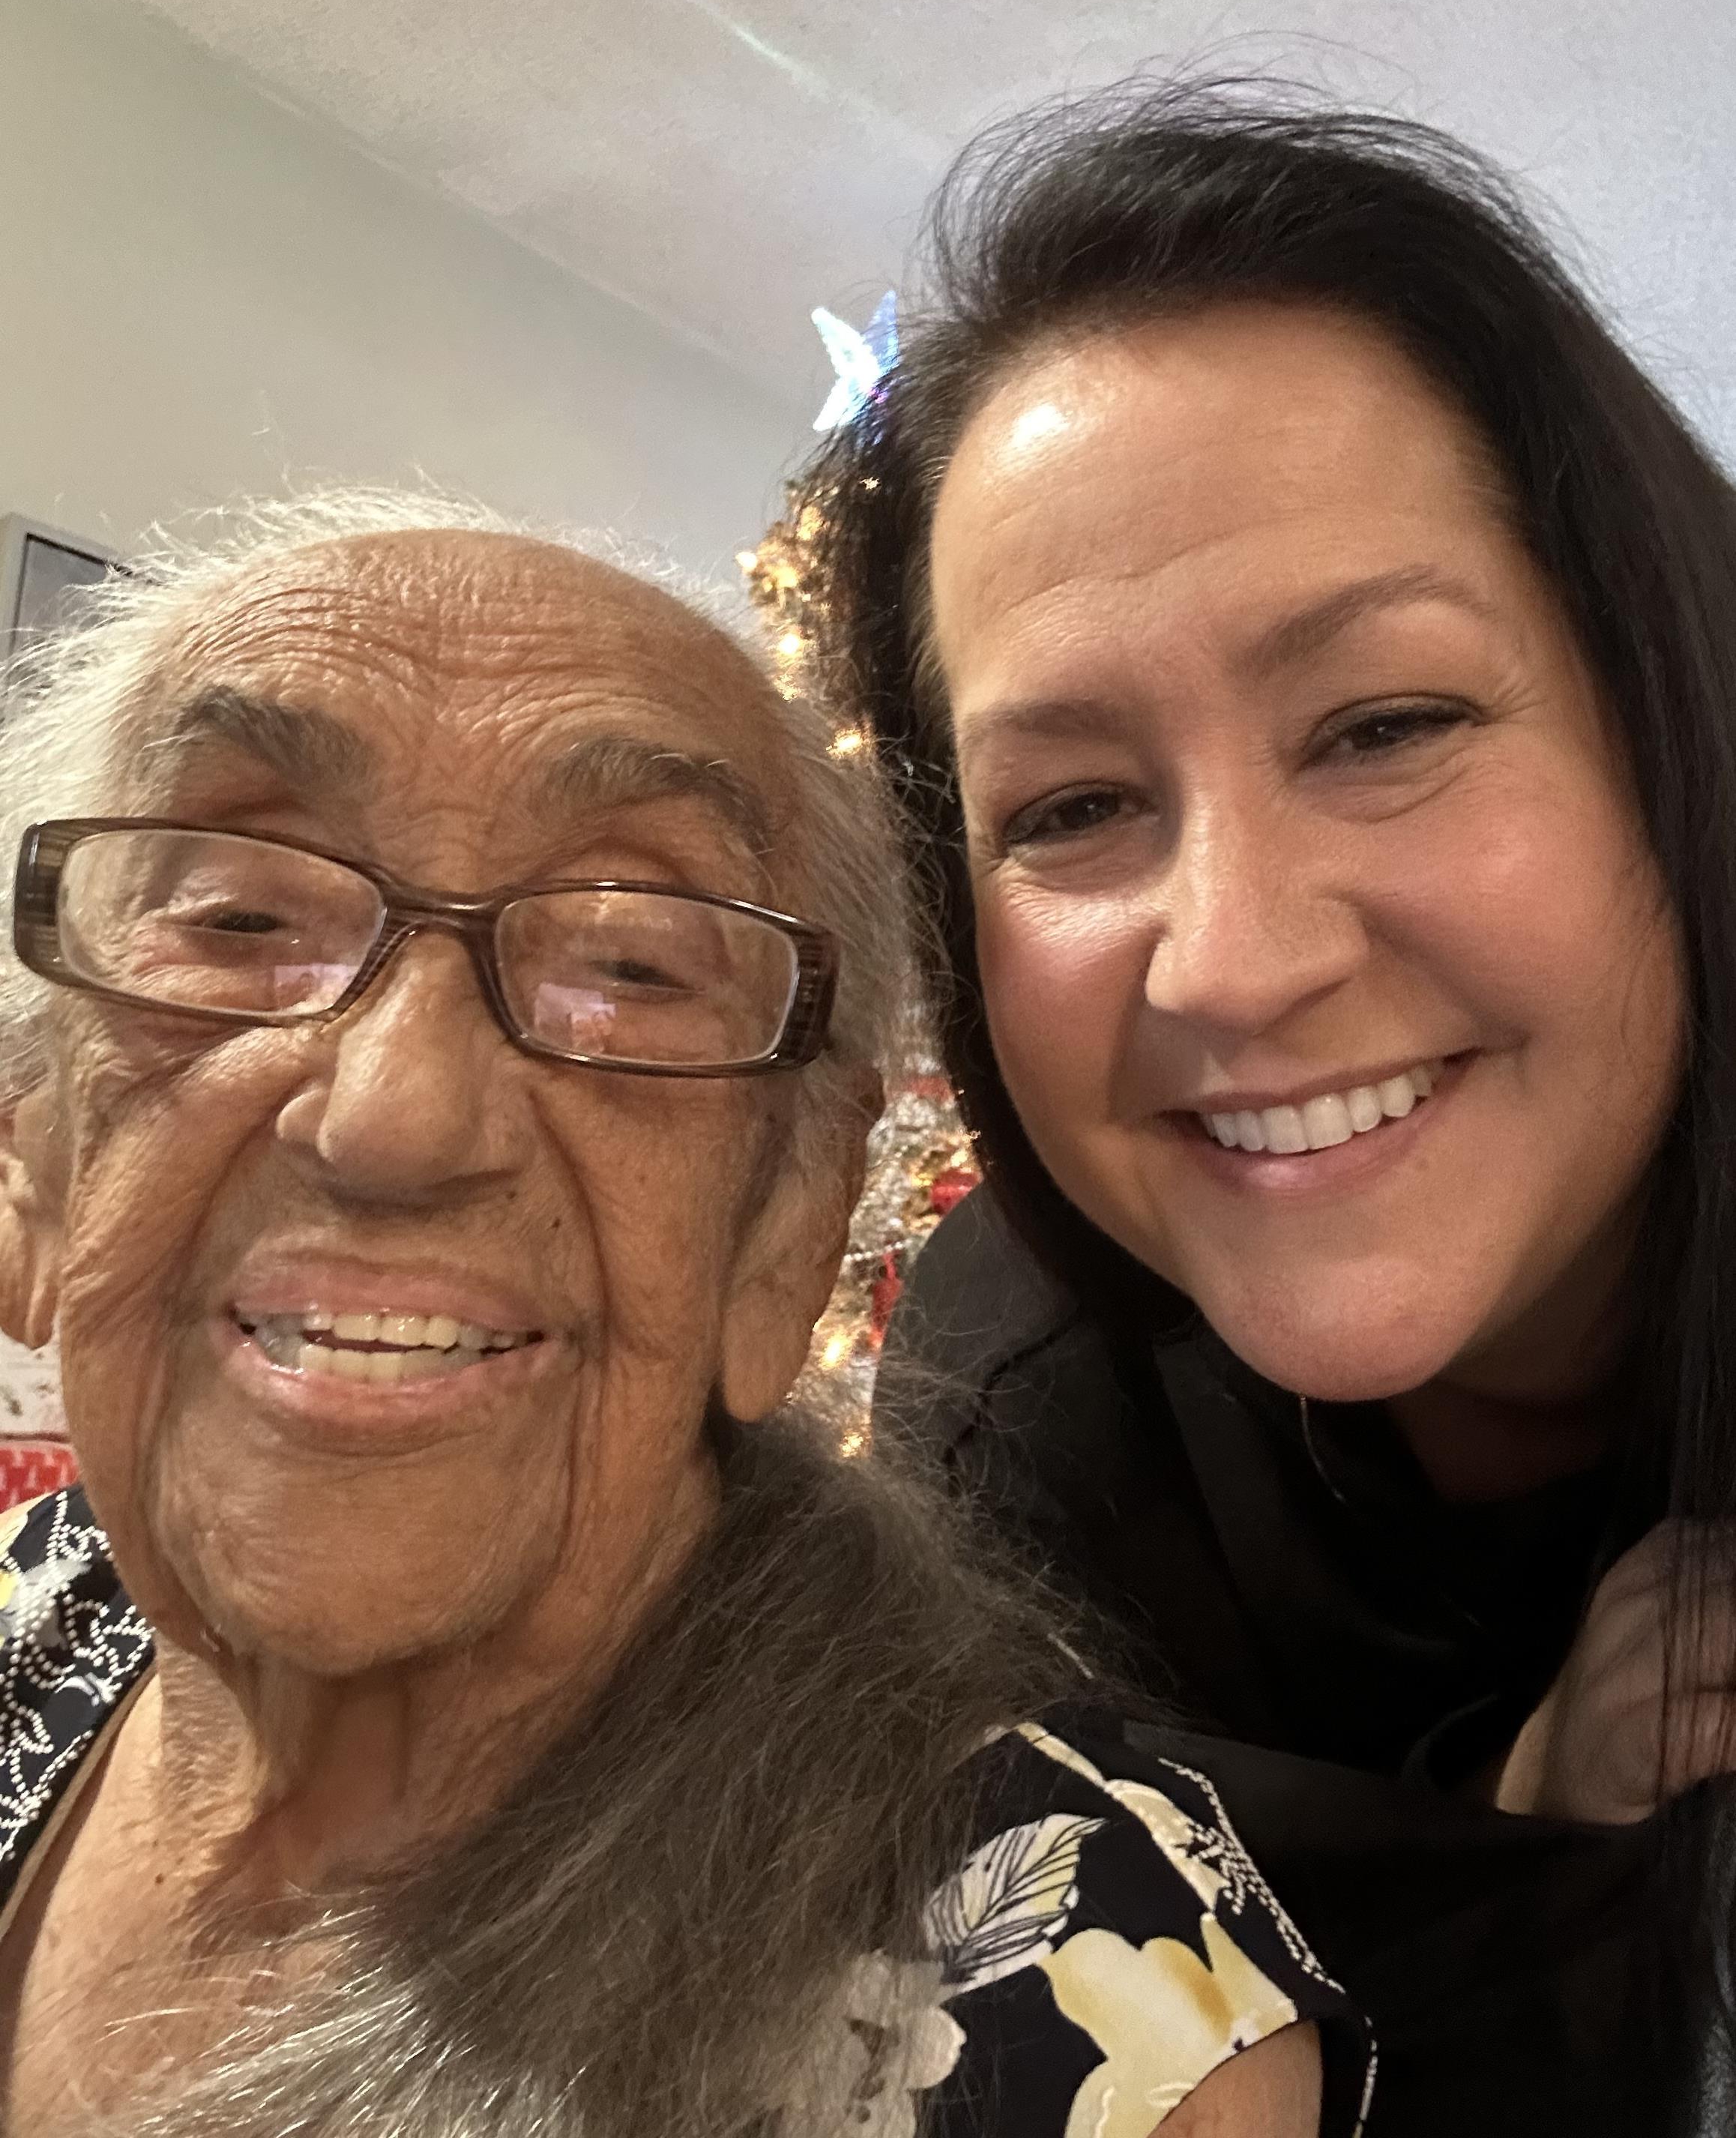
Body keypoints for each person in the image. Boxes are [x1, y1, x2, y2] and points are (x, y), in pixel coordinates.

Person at [0, 494, 1368, 2137]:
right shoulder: (32, 1601)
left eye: (636, 963)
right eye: (240, 920)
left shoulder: (1078, 2017)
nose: (397, 1111)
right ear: (39, 1157)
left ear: (787, 1233)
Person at [802, 82, 1736, 2134]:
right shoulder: (1005, 1396)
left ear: (1677, 731)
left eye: (1385, 721)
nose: (1228, 960)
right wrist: (1511, 1803)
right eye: (1067, 809)